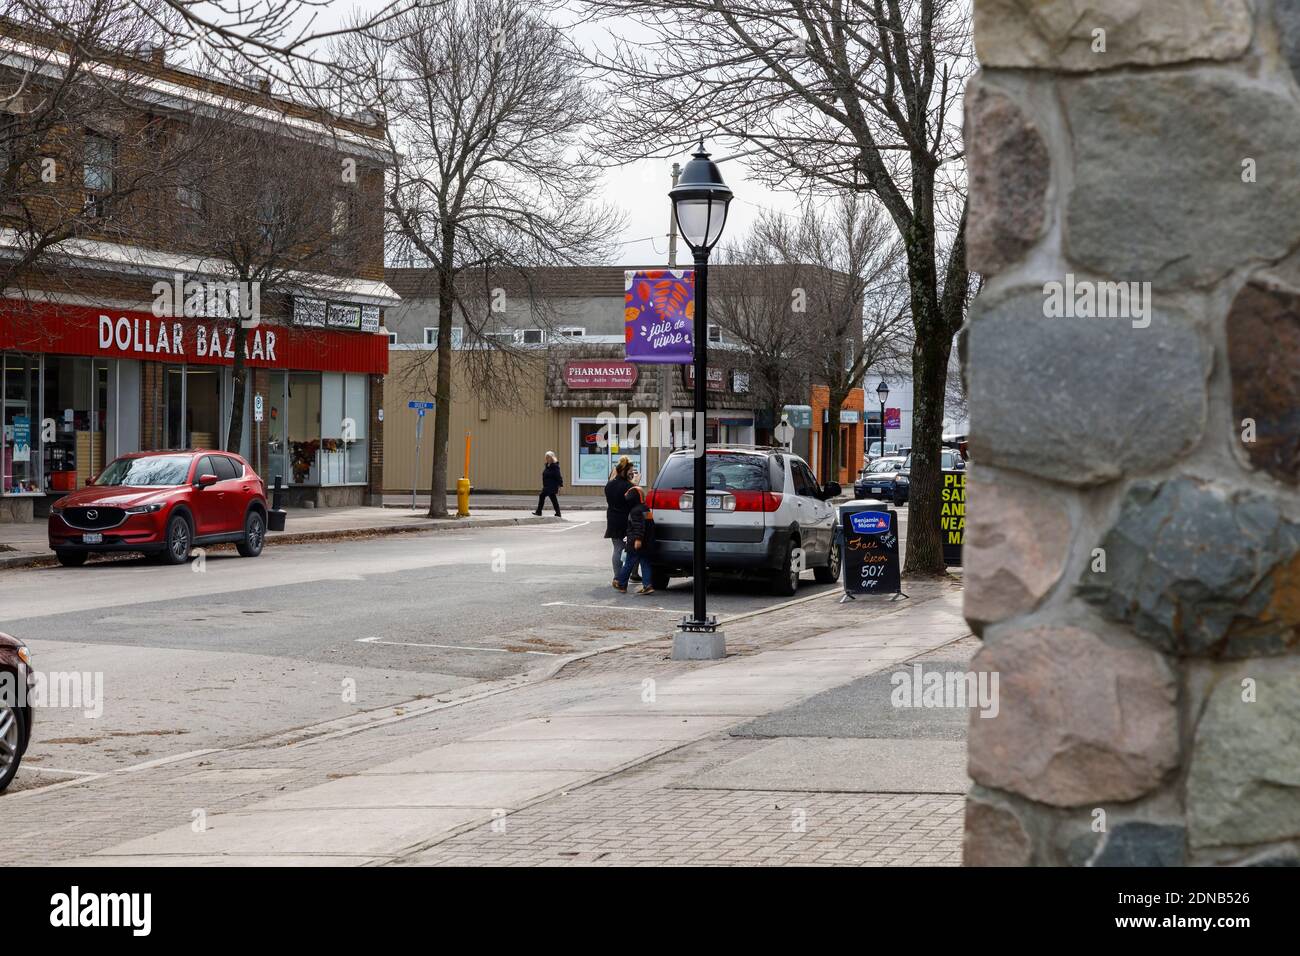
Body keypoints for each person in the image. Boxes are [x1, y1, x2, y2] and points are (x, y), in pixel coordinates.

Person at [613, 485, 655, 594]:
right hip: (647, 543)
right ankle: (647, 585)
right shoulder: (645, 508)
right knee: (645, 563)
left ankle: (621, 583)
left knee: (628, 563)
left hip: (636, 543)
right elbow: (649, 525)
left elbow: (638, 526)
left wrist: (638, 539)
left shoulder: (635, 511)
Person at [603, 457, 635, 576]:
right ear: (624, 471)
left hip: (612, 519)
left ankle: (617, 576)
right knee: (633, 548)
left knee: (617, 548)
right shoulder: (629, 486)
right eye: (631, 471)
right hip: (626, 521)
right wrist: (634, 485)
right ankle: (631, 574)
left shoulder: (609, 485)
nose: (632, 473)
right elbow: (633, 502)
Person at [533, 452, 563, 517]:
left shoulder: (555, 466)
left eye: (548, 457)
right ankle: (558, 513)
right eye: (546, 457)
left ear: (552, 458)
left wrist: (560, 485)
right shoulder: (547, 466)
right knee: (553, 499)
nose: (547, 459)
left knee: (542, 496)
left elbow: (558, 476)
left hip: (552, 486)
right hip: (547, 485)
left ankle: (539, 512)